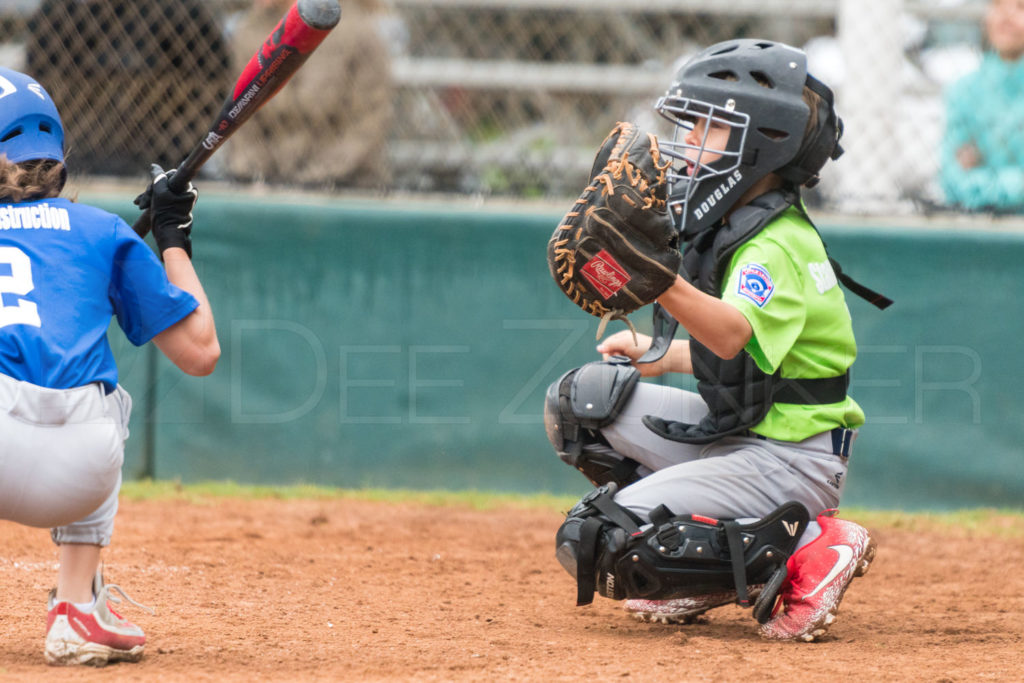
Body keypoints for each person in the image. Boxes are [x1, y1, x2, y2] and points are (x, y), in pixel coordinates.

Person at [545, 39, 889, 642]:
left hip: (792, 457)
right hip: (744, 431)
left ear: (762, 146)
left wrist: (656, 278)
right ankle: (708, 569)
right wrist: (653, 360)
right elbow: (745, 357)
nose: (690, 144)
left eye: (709, 128)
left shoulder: (775, 243)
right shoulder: (738, 228)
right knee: (581, 405)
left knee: (606, 538)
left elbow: (729, 337)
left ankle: (812, 546)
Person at [0, 67, 220, 666]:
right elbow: (200, 353)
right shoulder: (102, 231)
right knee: (105, 395)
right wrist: (172, 233)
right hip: (80, 473)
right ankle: (75, 609)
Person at [940, 0, 1024, 212]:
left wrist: (980, 174)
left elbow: (965, 177)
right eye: (998, 5)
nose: (1006, 18)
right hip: (976, 227)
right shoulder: (964, 90)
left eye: (1021, 7)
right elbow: (952, 179)